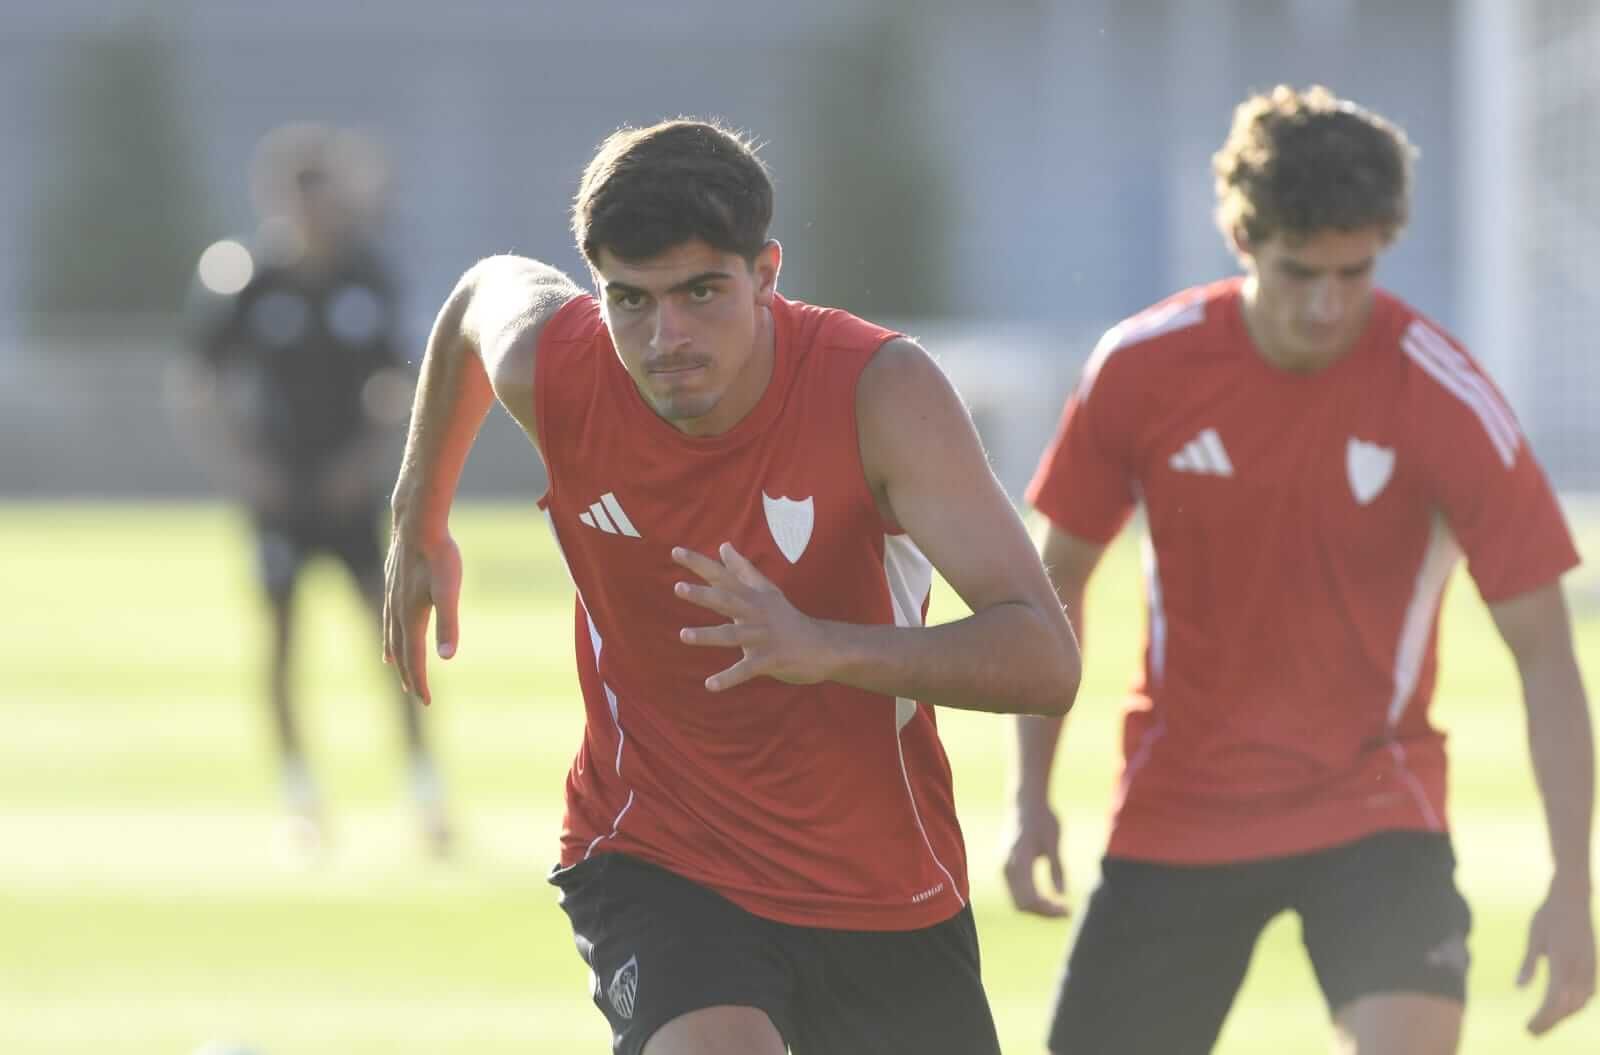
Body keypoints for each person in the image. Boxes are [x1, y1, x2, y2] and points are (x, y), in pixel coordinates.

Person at [381, 118, 1081, 1055]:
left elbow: (1042, 656)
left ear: (767, 273)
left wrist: (822, 645)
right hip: (658, 853)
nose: (665, 337)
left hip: (881, 879)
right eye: (629, 300)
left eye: (700, 291)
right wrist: (418, 518)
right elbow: (476, 301)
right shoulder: (562, 369)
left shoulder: (880, 394)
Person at [1007, 85, 1596, 1054]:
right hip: (1179, 806)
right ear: (1243, 238)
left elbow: (1543, 651)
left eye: (1352, 273)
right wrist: (1033, 800)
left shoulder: (1442, 395)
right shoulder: (1139, 369)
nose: (1326, 305)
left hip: (1375, 804)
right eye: (1298, 272)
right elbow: (1049, 588)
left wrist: (1571, 888)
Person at [178, 123, 452, 856]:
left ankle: (425, 792)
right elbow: (201, 383)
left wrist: (366, 460)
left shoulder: (366, 276)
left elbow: (402, 380)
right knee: (279, 644)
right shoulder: (244, 278)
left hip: (348, 493)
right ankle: (300, 797)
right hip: (279, 495)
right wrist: (244, 468)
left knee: (390, 640)